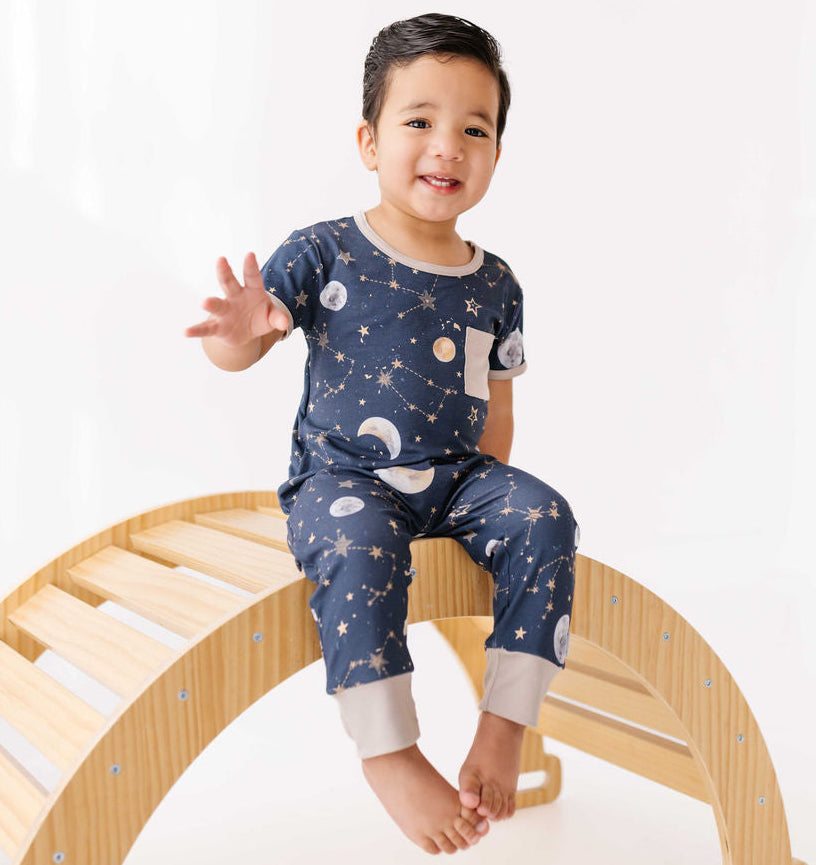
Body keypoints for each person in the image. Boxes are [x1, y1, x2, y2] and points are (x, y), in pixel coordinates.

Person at [186, 13, 579, 856]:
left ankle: (505, 723)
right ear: (369, 141)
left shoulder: (496, 282)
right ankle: (390, 752)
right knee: (361, 544)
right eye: (419, 122)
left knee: (545, 515)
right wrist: (238, 330)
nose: (447, 146)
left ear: (496, 155)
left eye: (474, 129)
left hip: (457, 478)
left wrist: (487, 505)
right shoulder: (324, 251)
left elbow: (497, 401)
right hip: (344, 480)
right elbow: (239, 349)